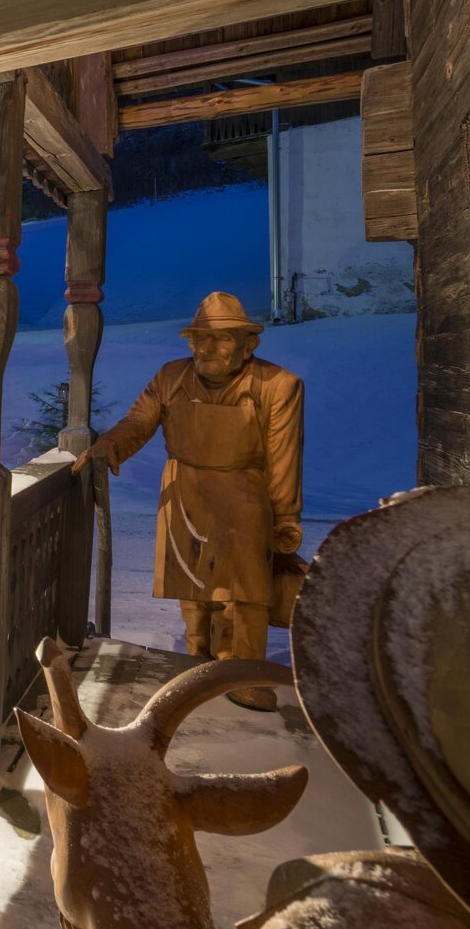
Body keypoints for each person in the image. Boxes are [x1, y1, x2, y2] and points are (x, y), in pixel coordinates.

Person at [73, 291, 302, 710]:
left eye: (221, 339)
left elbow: (284, 457)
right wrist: (109, 447)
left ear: (247, 344)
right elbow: (139, 421)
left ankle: (242, 673)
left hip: (245, 497)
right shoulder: (171, 377)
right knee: (194, 588)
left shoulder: (277, 386)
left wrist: (285, 518)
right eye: (199, 339)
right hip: (184, 492)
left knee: (245, 592)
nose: (206, 348)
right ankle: (197, 662)